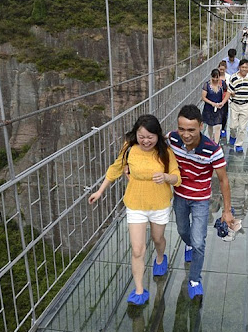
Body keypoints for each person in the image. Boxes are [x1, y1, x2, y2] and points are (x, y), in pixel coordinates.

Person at [89, 115, 181, 305]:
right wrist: (100, 191)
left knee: (157, 239)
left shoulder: (165, 151)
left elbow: (176, 177)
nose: (146, 141)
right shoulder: (129, 149)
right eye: (142, 136)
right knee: (137, 250)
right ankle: (139, 290)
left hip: (159, 203)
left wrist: (166, 177)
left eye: (150, 137)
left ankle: (160, 258)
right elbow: (116, 168)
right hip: (135, 203)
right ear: (136, 135)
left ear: (157, 135)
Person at [168, 105, 234, 299]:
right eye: (181, 129)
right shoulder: (173, 139)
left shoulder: (212, 150)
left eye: (191, 130)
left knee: (199, 241)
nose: (185, 134)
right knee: (183, 230)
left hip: (200, 200)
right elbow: (150, 141)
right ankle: (189, 244)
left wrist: (227, 211)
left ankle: (195, 279)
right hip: (180, 195)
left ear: (201, 126)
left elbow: (223, 180)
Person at [227, 59, 248, 153]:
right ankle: (233, 135)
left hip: (245, 105)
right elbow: (229, 91)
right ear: (239, 67)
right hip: (235, 104)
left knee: (242, 128)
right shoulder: (233, 77)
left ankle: (239, 144)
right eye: (242, 67)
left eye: (246, 67)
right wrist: (231, 94)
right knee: (233, 126)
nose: (244, 69)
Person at [201, 69, 228, 144]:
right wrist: (212, 103)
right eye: (214, 77)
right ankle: (211, 138)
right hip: (209, 108)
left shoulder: (222, 84)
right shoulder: (207, 85)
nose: (215, 79)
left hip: (219, 108)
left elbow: (227, 92)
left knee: (218, 126)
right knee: (210, 125)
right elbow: (203, 97)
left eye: (217, 77)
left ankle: (216, 143)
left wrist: (223, 102)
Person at [217, 61, 230, 140]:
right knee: (217, 114)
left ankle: (223, 128)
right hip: (216, 98)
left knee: (224, 114)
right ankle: (217, 129)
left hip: (225, 99)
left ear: (226, 69)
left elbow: (230, 88)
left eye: (223, 69)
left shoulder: (228, 77)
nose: (221, 71)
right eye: (220, 69)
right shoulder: (215, 76)